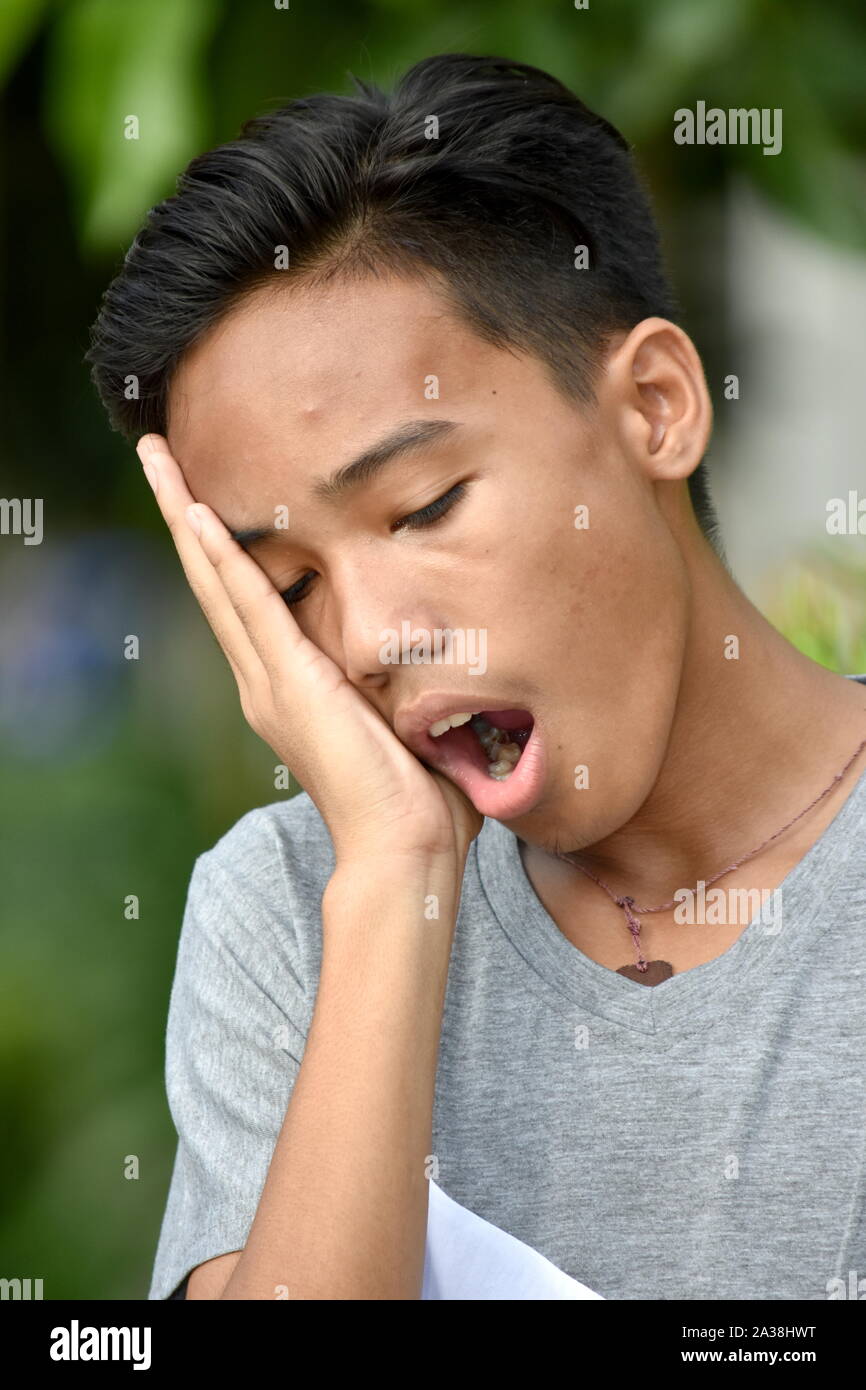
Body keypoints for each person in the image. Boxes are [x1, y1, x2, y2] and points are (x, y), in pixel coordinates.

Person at [86, 53, 866, 1301]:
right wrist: (394, 881)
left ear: (656, 405)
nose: (369, 640)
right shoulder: (289, 908)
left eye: (424, 505)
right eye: (290, 587)